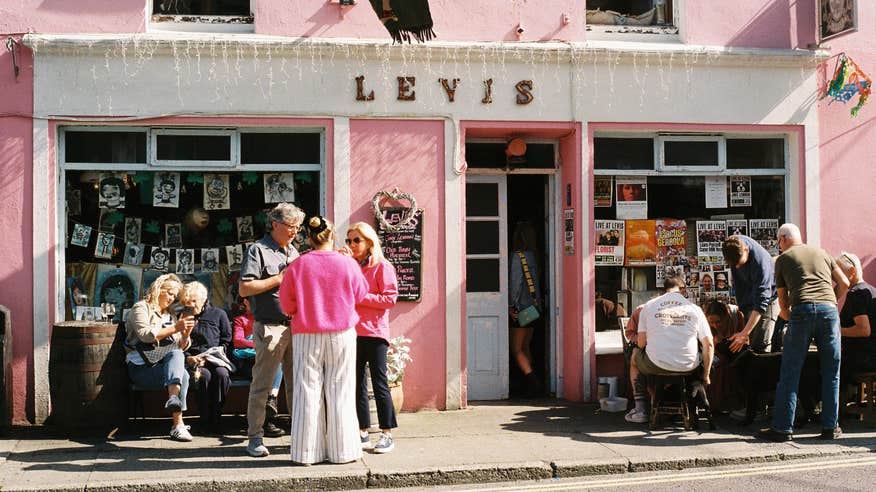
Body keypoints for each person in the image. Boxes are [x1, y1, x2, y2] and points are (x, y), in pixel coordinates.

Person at [279, 216, 368, 465]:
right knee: (341, 389)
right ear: (332, 236)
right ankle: (344, 451)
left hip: (307, 332)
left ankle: (306, 453)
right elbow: (361, 293)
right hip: (341, 333)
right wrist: (350, 262)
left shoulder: (298, 265)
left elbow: (286, 304)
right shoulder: (347, 264)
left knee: (307, 390)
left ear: (308, 237)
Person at [757, 223, 849, 442]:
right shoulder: (822, 253)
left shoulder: (783, 260)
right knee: (831, 371)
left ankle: (782, 428)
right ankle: (830, 427)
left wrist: (794, 316)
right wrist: (828, 302)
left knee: (790, 371)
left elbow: (783, 301)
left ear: (783, 239)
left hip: (802, 309)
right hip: (828, 311)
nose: (779, 246)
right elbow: (844, 282)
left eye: (778, 242)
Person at [239, 202, 305, 458]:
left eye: (298, 227)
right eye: (291, 226)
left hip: (295, 326)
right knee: (263, 385)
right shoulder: (258, 251)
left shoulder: (294, 251)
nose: (295, 232)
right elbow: (245, 289)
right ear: (275, 224)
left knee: (296, 385)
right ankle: (255, 437)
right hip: (270, 327)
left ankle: (298, 436)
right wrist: (280, 278)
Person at [341, 222, 400, 454]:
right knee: (355, 385)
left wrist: (361, 297)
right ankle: (362, 431)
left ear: (369, 242)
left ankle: (387, 433)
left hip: (375, 333)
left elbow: (389, 299)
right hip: (352, 332)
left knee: (379, 383)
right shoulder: (351, 266)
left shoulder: (382, 267)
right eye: (349, 240)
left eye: (357, 240)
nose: (352, 245)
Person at [123, 273, 196, 441]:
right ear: (158, 289)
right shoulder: (141, 308)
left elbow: (180, 347)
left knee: (180, 362)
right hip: (142, 367)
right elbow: (145, 336)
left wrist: (185, 334)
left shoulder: (170, 315)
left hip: (164, 366)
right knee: (182, 373)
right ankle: (177, 424)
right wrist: (175, 328)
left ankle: (173, 403)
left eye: (174, 296)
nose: (172, 298)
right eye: (169, 293)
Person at [630, 276, 714, 422]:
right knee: (703, 356)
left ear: (664, 291)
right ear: (683, 290)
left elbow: (641, 344)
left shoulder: (648, 306)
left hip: (656, 365)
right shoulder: (695, 309)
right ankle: (695, 408)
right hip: (688, 366)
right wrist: (706, 375)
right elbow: (709, 345)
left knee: (634, 357)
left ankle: (641, 409)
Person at [181, 281, 233, 434]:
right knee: (204, 376)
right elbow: (178, 342)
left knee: (222, 375)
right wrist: (188, 357)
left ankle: (216, 416)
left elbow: (226, 340)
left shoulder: (218, 314)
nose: (190, 305)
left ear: (203, 299)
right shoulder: (183, 316)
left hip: (215, 358)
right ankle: (204, 419)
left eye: (193, 301)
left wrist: (215, 355)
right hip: (194, 361)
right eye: (186, 302)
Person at [231, 296, 285, 437]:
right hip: (249, 361)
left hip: (267, 359)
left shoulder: (266, 319)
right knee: (267, 372)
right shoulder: (240, 320)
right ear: (246, 302)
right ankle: (268, 420)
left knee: (274, 364)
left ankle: (271, 403)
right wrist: (260, 343)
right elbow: (237, 341)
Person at [722, 235, 779, 354]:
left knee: (760, 343)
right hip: (750, 298)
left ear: (746, 250)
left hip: (768, 299)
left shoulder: (760, 263)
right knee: (751, 342)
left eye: (739, 263)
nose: (737, 267)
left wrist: (744, 333)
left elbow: (761, 302)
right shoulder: (732, 246)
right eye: (734, 264)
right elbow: (740, 287)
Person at [508, 221, 544, 397]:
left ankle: (533, 383)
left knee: (516, 349)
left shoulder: (518, 256)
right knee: (526, 346)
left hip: (521, 308)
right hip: (534, 308)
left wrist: (511, 305)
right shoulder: (534, 256)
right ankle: (531, 384)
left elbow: (516, 284)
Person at [834, 252, 876, 399]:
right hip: (871, 355)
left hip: (863, 359)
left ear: (852, 271)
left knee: (817, 364)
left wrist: (836, 331)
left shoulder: (856, 293)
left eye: (839, 274)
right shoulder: (871, 290)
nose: (836, 279)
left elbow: (863, 330)